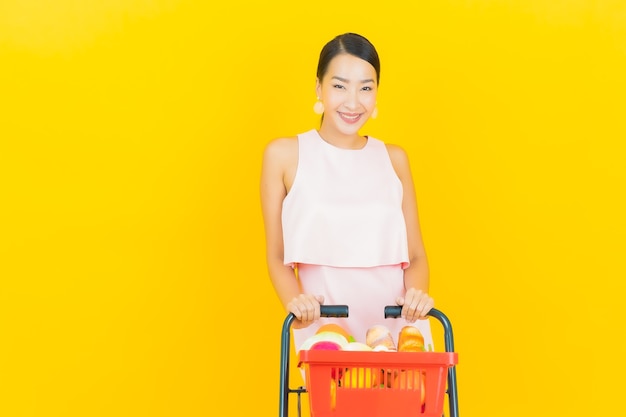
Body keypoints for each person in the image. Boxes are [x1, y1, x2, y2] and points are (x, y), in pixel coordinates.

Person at [260, 33, 435, 352]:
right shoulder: (284, 155)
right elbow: (276, 254)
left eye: (365, 88)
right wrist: (295, 303)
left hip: (398, 328)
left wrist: (416, 299)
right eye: (340, 86)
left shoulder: (394, 159)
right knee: (338, 400)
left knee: (408, 399)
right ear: (319, 89)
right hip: (324, 326)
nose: (353, 102)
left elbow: (416, 256)